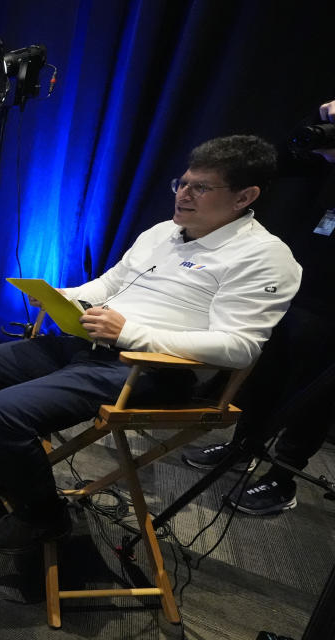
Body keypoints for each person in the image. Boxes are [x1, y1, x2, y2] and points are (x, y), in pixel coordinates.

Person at [0, 135, 302, 553]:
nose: (184, 195)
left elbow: (240, 348)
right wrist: (65, 296)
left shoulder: (264, 256)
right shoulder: (163, 232)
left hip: (157, 371)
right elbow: (110, 285)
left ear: (245, 196)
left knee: (5, 412)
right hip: (97, 346)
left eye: (201, 188)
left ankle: (43, 518)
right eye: (183, 183)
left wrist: (130, 334)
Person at [183, 100, 335, 515]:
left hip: (331, 300)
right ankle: (243, 446)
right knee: (266, 367)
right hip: (303, 270)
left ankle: (283, 477)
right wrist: (318, 126)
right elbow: (279, 160)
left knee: (312, 391)